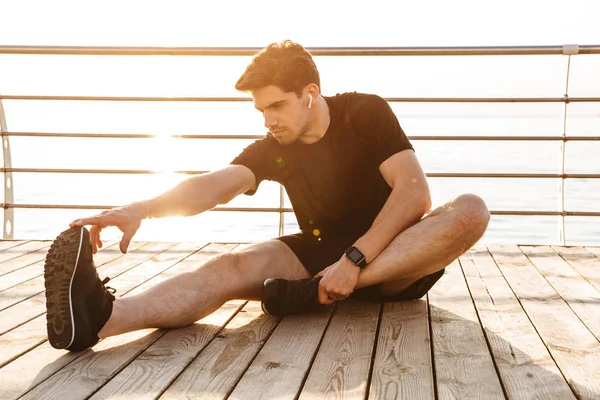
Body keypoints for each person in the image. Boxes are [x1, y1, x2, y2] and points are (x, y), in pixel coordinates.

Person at [43, 40, 490, 352]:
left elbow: (414, 194)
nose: (267, 120)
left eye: (276, 106)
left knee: (470, 210)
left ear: (310, 94)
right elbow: (212, 186)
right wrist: (139, 209)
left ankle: (315, 291)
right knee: (230, 267)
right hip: (320, 251)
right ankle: (100, 319)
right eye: (260, 110)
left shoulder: (364, 112)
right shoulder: (275, 148)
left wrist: (354, 263)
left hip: (394, 256)